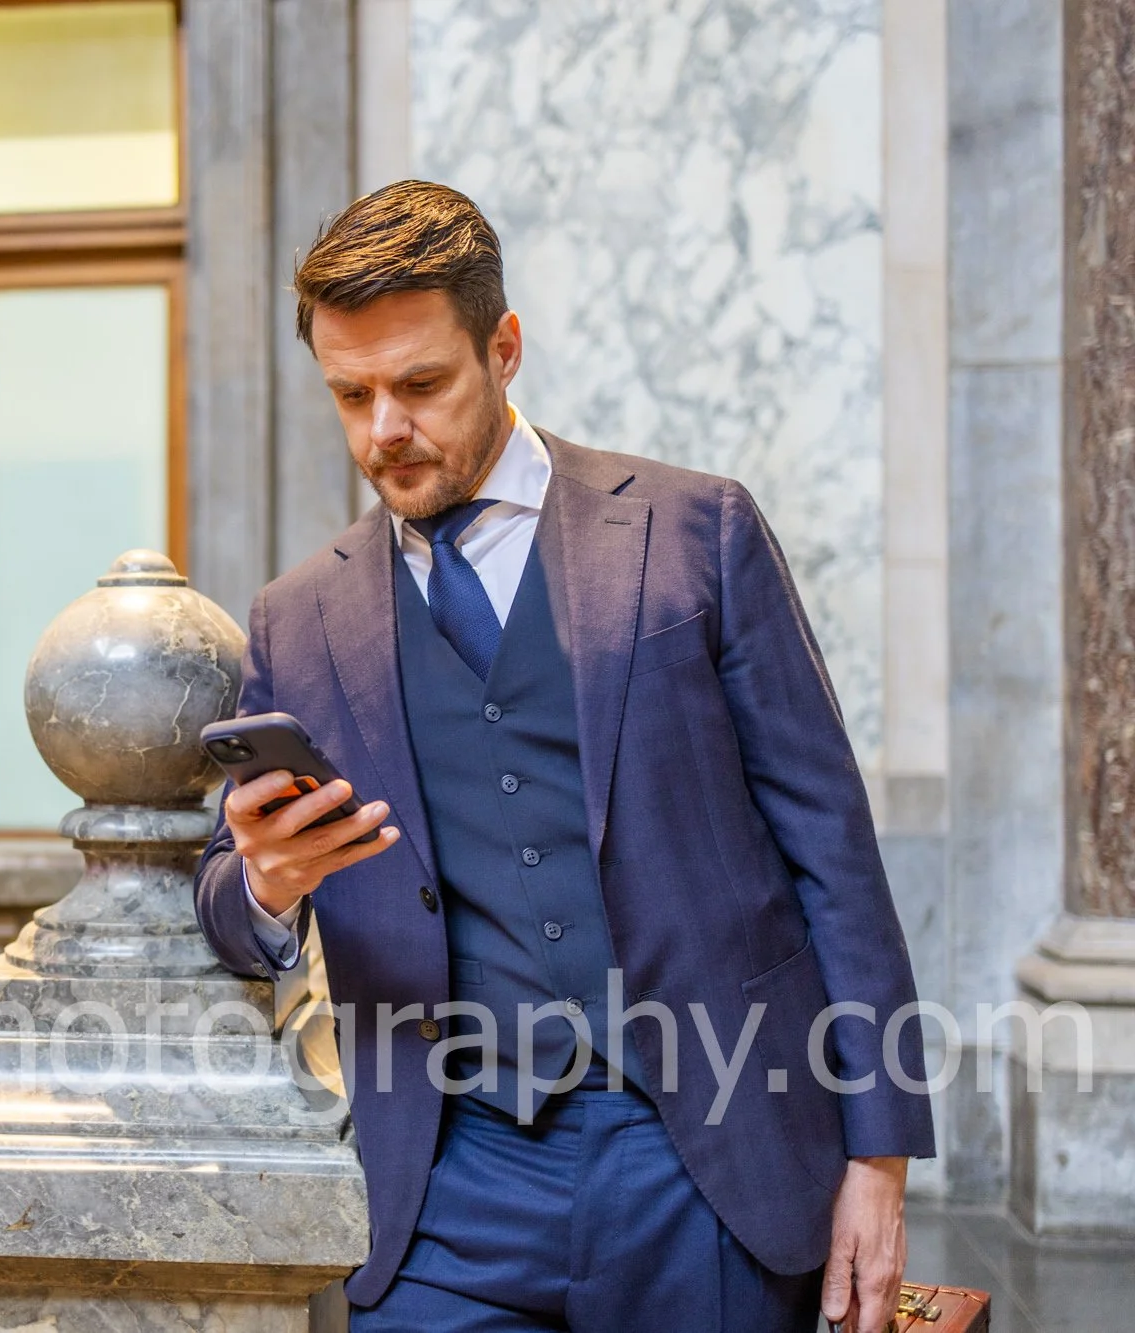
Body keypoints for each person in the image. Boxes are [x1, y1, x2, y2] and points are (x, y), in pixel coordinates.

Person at [192, 181, 934, 1333]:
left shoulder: (696, 535)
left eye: (420, 385)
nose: (382, 428)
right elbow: (227, 908)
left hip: (708, 1162)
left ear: (504, 348)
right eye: (351, 394)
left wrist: (877, 1161)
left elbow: (831, 853)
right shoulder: (299, 616)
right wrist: (268, 880)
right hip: (450, 1185)